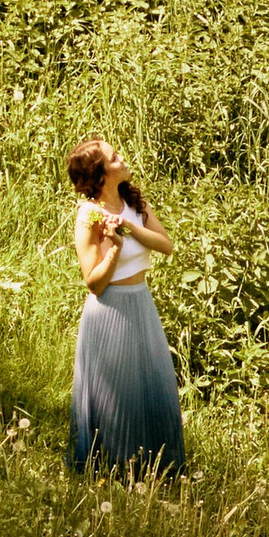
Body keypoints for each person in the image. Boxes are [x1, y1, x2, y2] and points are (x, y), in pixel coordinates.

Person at [65, 135, 183, 478]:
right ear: (100, 174)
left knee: (153, 387)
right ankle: (115, 475)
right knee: (118, 397)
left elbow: (166, 245)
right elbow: (94, 282)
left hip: (141, 305)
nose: (122, 160)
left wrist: (131, 227)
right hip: (110, 311)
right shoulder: (88, 216)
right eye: (114, 158)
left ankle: (156, 471)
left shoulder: (134, 203)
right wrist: (114, 249)